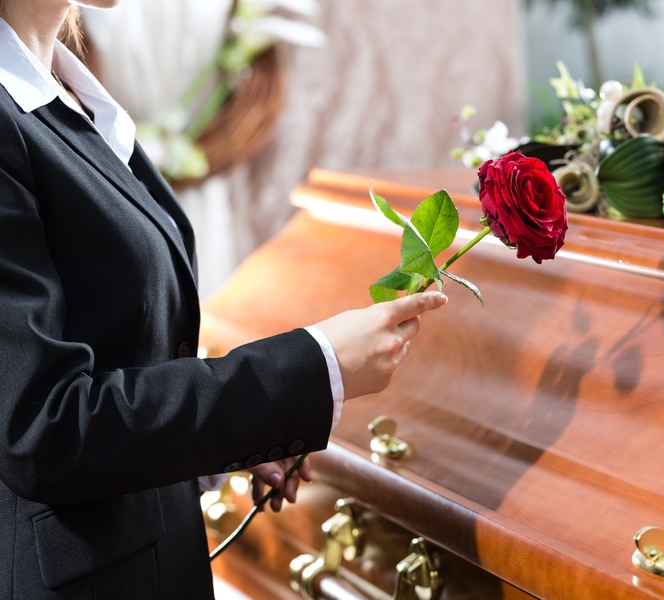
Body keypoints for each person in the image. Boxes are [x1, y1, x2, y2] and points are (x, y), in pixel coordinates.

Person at [0, 1, 447, 598]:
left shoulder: (68, 93)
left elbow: (122, 361)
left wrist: (225, 444)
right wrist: (315, 366)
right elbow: (43, 431)